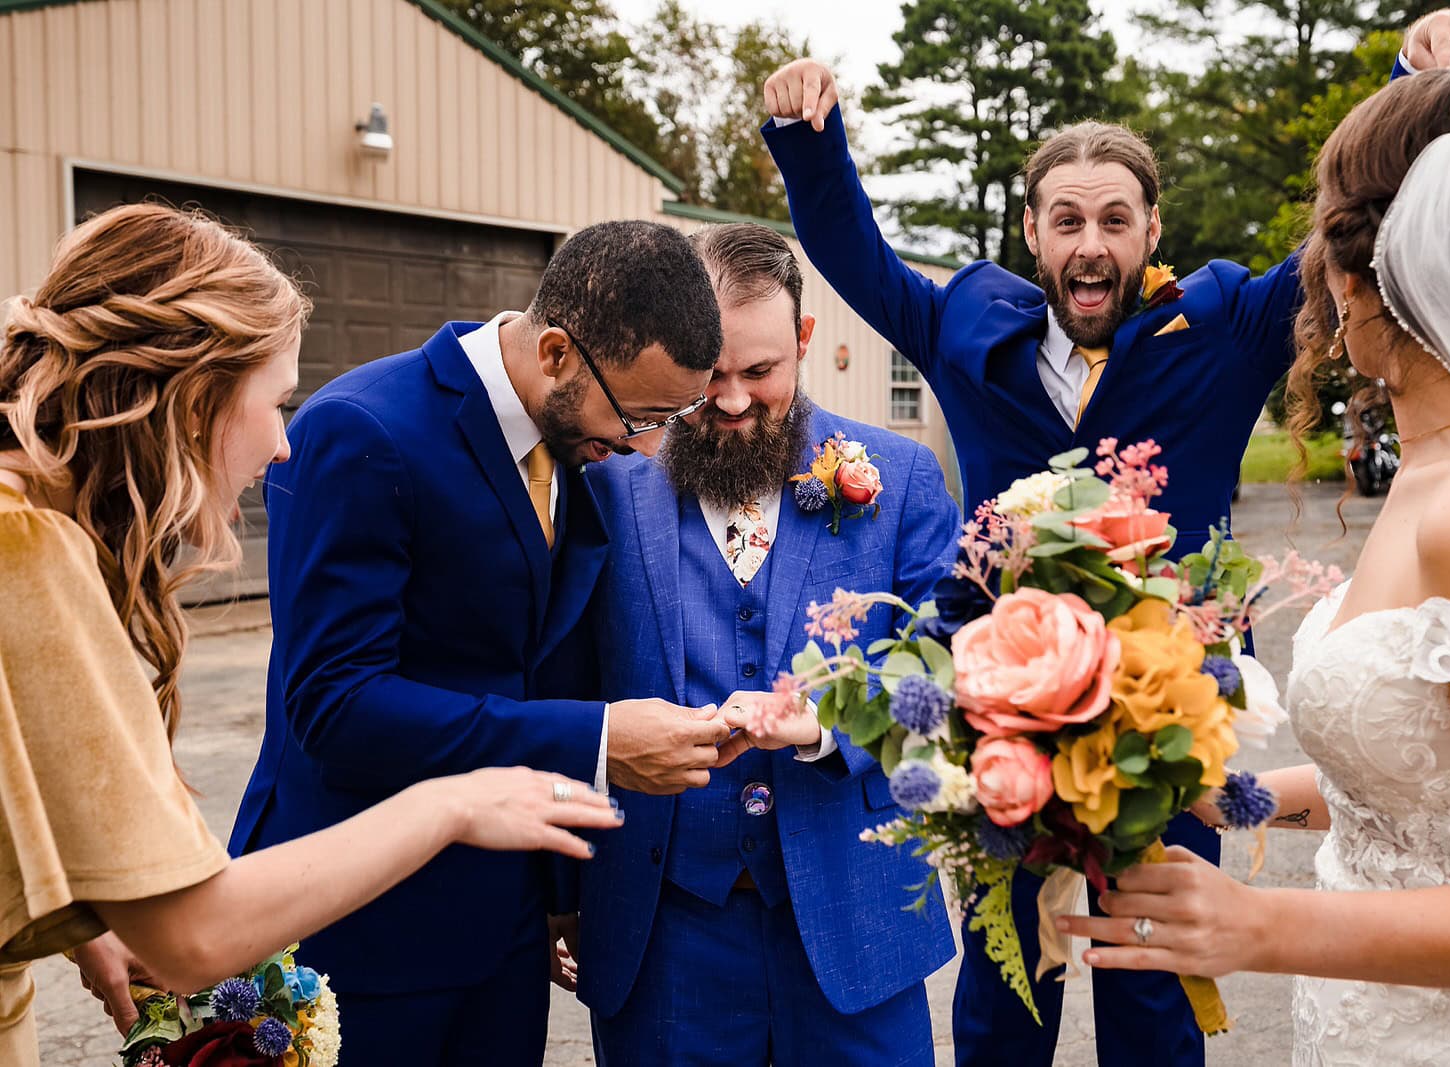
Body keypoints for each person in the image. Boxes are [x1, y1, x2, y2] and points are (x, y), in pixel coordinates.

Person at [759, 10, 1450, 1064]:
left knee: (1151, 973)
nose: (1089, 243)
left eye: (1114, 219)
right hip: (1002, 713)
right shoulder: (963, 330)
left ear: (1153, 230)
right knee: (1000, 980)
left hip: (1170, 714)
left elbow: (1354, 223)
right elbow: (853, 254)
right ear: (1033, 235)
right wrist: (808, 136)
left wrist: (1408, 78)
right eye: (1066, 221)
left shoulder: (1232, 324)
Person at [1058, 68, 1450, 1065]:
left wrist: (1259, 923)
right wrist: (1212, 790)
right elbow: (1437, 774)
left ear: (1356, 279)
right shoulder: (1441, 472)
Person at [0, 203, 620, 1067]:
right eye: (276, 402)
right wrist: (456, 802)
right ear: (187, 397)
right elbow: (192, 934)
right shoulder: (29, 551)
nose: (284, 446)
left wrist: (80, 928)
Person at [227, 219, 733, 1065]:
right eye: (639, 414)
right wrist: (599, 740)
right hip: (363, 929)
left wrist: (559, 893)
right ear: (559, 353)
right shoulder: (362, 429)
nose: (646, 445)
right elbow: (335, 705)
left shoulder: (574, 441)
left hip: (504, 937)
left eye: (667, 418)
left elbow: (539, 658)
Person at [573, 223, 960, 1065]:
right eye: (711, 375)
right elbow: (559, 684)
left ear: (805, 341)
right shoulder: (607, 487)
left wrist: (828, 724)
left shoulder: (899, 478)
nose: (736, 399)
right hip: (666, 937)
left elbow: (953, 668)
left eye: (761, 372)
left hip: (859, 928)